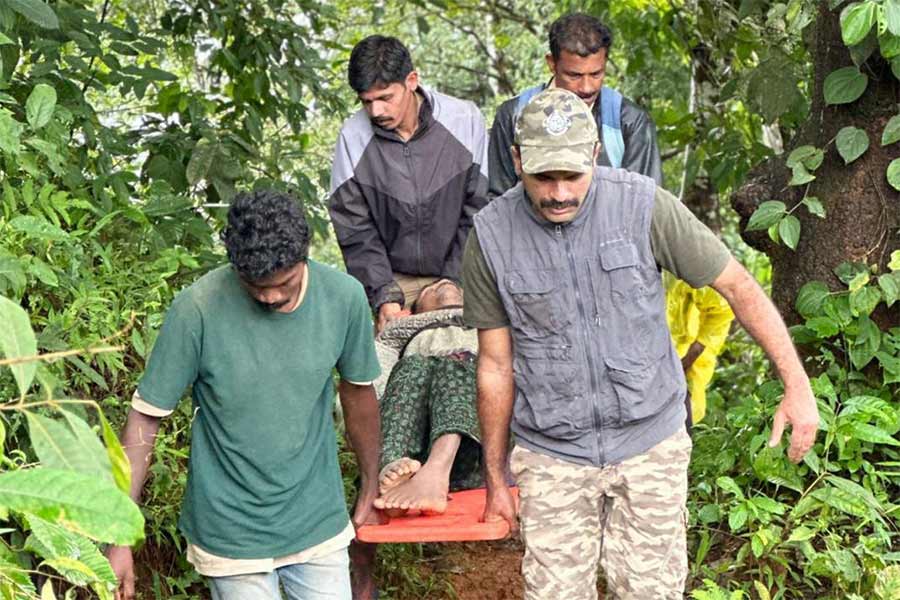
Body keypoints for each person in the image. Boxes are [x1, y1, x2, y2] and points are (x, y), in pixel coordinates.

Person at [462, 88, 819, 599]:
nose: (559, 192)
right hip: (552, 454)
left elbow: (738, 286)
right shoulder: (492, 235)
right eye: (543, 177)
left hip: (649, 442)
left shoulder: (643, 205)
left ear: (593, 155)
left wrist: (797, 386)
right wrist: (495, 476)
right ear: (517, 161)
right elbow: (495, 365)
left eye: (572, 175)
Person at [107, 191, 382, 600]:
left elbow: (359, 396)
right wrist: (118, 534)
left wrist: (370, 484)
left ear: (305, 256)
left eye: (283, 284)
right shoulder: (196, 309)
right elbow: (146, 418)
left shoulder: (344, 298)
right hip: (231, 534)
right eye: (255, 287)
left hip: (317, 521)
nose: (270, 296)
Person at [329, 35, 489, 333]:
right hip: (393, 279)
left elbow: (481, 207)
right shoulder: (352, 138)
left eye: (385, 98)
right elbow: (354, 228)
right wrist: (383, 294)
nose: (376, 111)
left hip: (460, 269)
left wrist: (453, 280)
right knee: (393, 365)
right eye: (367, 102)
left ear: (411, 81)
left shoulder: (464, 119)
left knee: (461, 352)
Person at [351, 279, 482, 600]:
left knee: (457, 363)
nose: (443, 286)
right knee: (411, 368)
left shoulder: (486, 325)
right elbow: (371, 391)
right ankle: (391, 472)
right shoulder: (402, 339)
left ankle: (437, 470)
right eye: (430, 292)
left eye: (452, 285)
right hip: (409, 446)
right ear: (417, 310)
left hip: (467, 451)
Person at [488, 12, 662, 199]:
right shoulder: (514, 115)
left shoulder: (629, 121)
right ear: (552, 63)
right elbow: (497, 199)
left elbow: (645, 202)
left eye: (596, 74)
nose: (587, 87)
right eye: (574, 76)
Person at [664, 271, 735, 427]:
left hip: (679, 371)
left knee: (676, 437)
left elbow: (723, 308)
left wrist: (691, 356)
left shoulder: (678, 265)